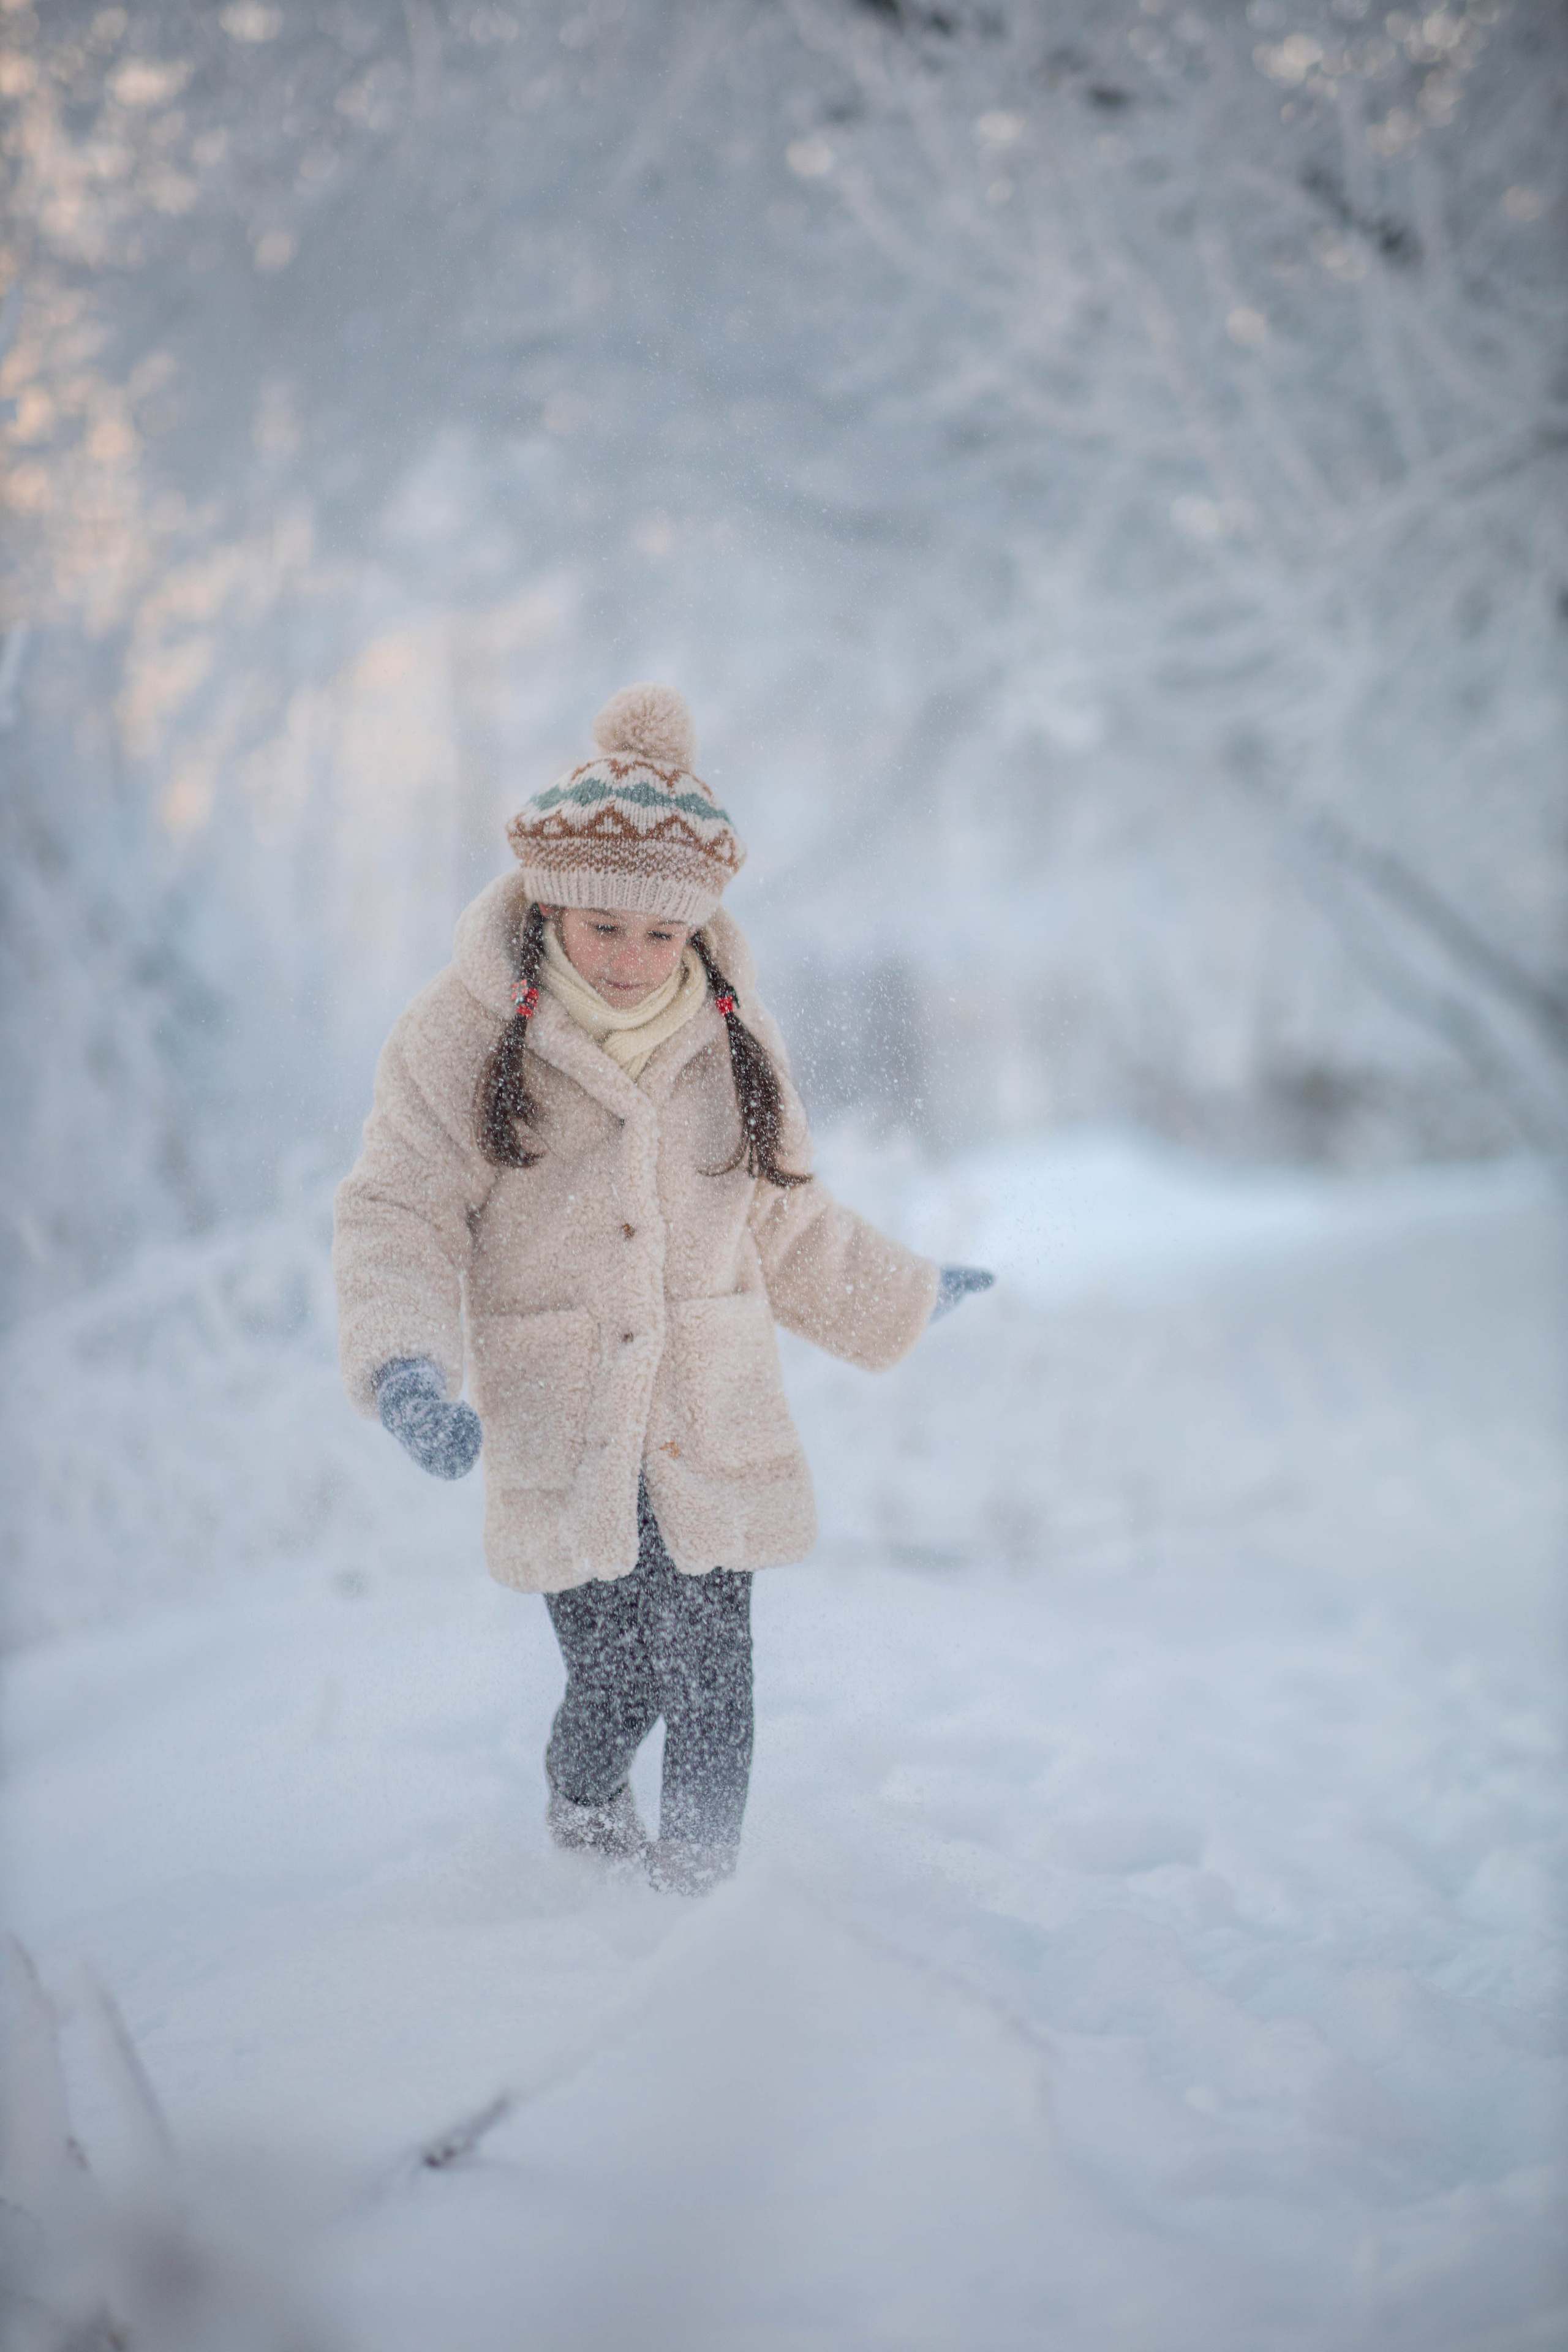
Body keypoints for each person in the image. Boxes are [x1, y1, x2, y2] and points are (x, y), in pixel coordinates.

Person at [333, 684, 993, 1895]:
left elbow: (779, 1216)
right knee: (621, 1674)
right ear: (551, 906)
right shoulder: (458, 1033)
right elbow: (402, 1208)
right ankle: (584, 1829)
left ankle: (698, 1904)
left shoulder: (732, 1037)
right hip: (566, 1412)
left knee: (715, 1677)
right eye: (603, 930)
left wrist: (900, 1293)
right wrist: (406, 1368)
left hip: (707, 1405)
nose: (632, 961)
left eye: (659, 936)